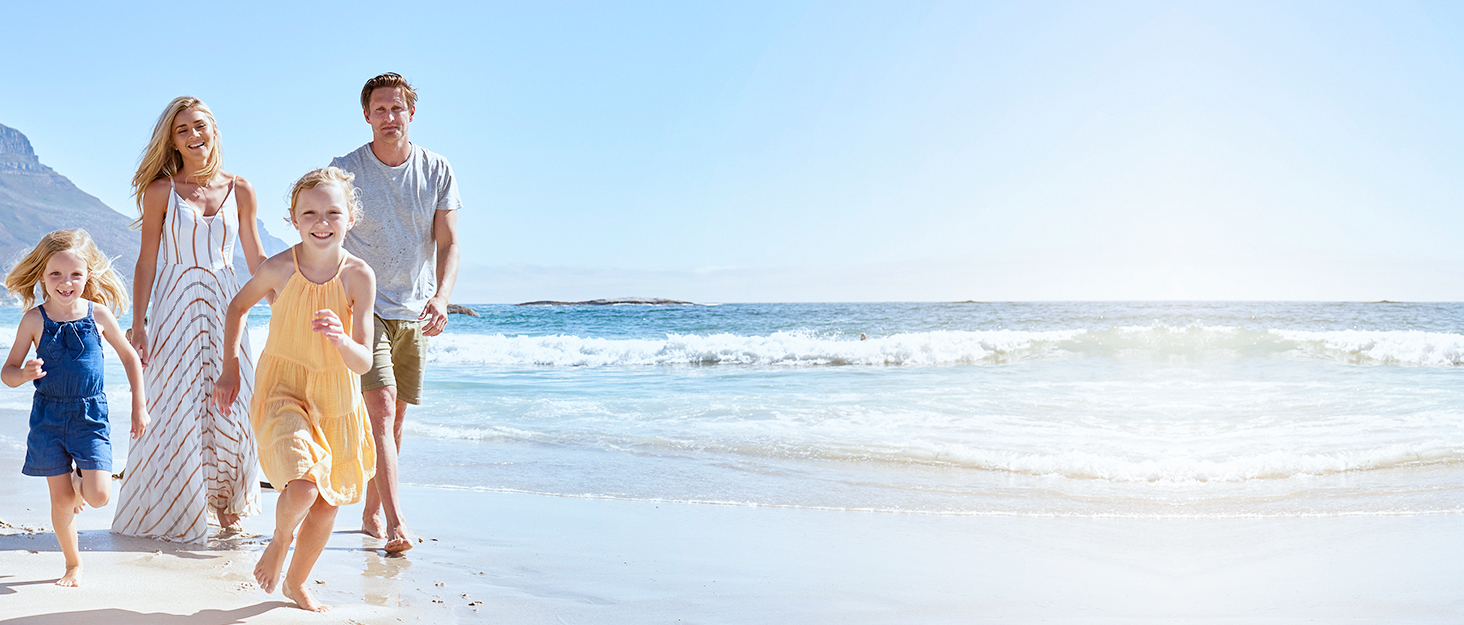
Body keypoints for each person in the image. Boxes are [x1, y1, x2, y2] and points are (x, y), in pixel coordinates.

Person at [213, 167, 377, 613]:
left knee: (327, 504)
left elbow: (364, 359)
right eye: (310, 213)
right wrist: (230, 367)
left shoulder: (358, 276)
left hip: (336, 398)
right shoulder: (279, 268)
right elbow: (236, 308)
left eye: (332, 212)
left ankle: (297, 582)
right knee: (303, 487)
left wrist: (342, 340)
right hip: (284, 389)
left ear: (350, 217)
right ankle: (280, 540)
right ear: (294, 218)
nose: (321, 222)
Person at [112, 96, 267, 543]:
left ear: (214, 130)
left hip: (225, 304)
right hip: (175, 304)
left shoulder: (241, 189)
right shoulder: (160, 191)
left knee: (235, 405)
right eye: (183, 130)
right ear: (173, 142)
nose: (194, 135)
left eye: (200, 126)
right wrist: (138, 323)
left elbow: (255, 255)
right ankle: (182, 503)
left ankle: (228, 502)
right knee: (177, 405)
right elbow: (146, 262)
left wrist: (284, 295)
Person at [331, 72, 460, 552]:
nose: (389, 117)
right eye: (380, 110)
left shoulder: (437, 169)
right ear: (367, 116)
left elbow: (449, 244)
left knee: (395, 420)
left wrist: (442, 297)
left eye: (397, 108)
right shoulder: (345, 171)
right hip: (364, 308)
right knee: (382, 414)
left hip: (413, 311)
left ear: (411, 113)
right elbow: (324, 231)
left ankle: (370, 512)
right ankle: (397, 521)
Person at [2, 229, 148, 587]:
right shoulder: (34, 320)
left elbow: (130, 357)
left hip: (90, 416)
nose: (65, 283)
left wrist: (138, 407)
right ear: (41, 276)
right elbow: (7, 372)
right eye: (56, 274)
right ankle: (73, 564)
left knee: (98, 495)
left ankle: (78, 478)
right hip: (48, 418)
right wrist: (24, 374)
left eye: (75, 275)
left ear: (88, 276)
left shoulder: (97, 314)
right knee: (62, 501)